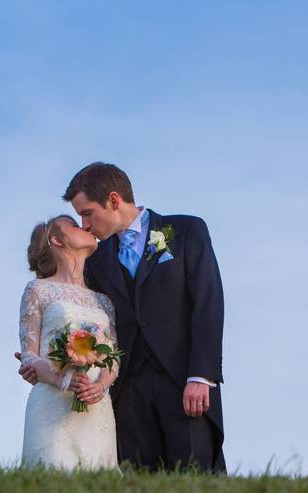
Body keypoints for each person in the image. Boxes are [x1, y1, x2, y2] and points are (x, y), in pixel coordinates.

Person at [17, 162, 226, 473]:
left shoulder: (186, 231)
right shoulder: (95, 260)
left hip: (183, 384)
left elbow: (208, 305)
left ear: (114, 200)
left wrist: (200, 376)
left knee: (197, 479)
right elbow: (79, 313)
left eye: (87, 213)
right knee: (137, 486)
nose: (85, 224)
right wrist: (40, 362)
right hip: (127, 394)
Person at [17, 214, 120, 471]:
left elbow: (113, 356)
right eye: (74, 225)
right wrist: (63, 380)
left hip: (96, 407)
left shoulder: (103, 301)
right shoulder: (38, 290)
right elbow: (30, 356)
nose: (85, 226)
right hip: (52, 402)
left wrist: (101, 386)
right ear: (57, 240)